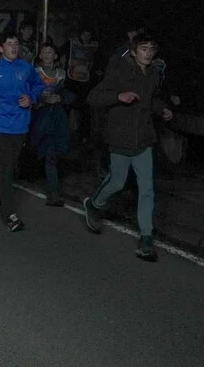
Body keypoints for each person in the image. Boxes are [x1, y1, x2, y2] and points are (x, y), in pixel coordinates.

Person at [81, 32, 172, 262]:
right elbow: (93, 97)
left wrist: (162, 108)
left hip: (144, 139)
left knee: (147, 188)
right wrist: (118, 96)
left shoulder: (153, 74)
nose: (148, 53)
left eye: (151, 49)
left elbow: (150, 100)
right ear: (133, 51)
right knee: (117, 182)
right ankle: (93, 205)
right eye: (143, 49)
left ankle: (146, 238)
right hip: (120, 138)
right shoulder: (119, 71)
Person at [0, 30, 43, 231]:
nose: (14, 47)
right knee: (7, 166)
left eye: (16, 44)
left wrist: (31, 97)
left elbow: (38, 85)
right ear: (0, 48)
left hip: (20, 123)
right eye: (9, 44)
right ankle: (10, 215)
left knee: (11, 166)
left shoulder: (26, 68)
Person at [31, 42, 73, 206]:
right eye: (44, 52)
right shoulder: (34, 73)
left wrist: (60, 97)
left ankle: (53, 192)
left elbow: (68, 93)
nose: (47, 55)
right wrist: (43, 99)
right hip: (39, 116)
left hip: (56, 117)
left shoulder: (61, 74)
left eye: (50, 52)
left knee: (51, 153)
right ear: (40, 55)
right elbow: (29, 93)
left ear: (55, 56)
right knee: (40, 150)